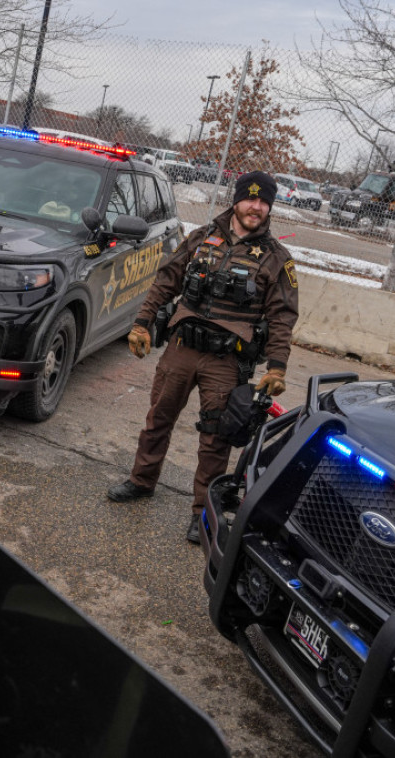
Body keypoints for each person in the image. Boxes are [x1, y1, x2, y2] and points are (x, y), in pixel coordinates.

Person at [106, 170, 299, 544]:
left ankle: (202, 514)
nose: (255, 207)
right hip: (182, 348)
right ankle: (141, 481)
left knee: (215, 438)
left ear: (270, 207)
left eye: (263, 202)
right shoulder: (201, 237)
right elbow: (167, 280)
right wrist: (142, 323)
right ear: (237, 200)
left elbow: (282, 317)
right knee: (157, 418)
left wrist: (277, 366)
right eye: (250, 198)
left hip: (226, 362)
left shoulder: (277, 259)